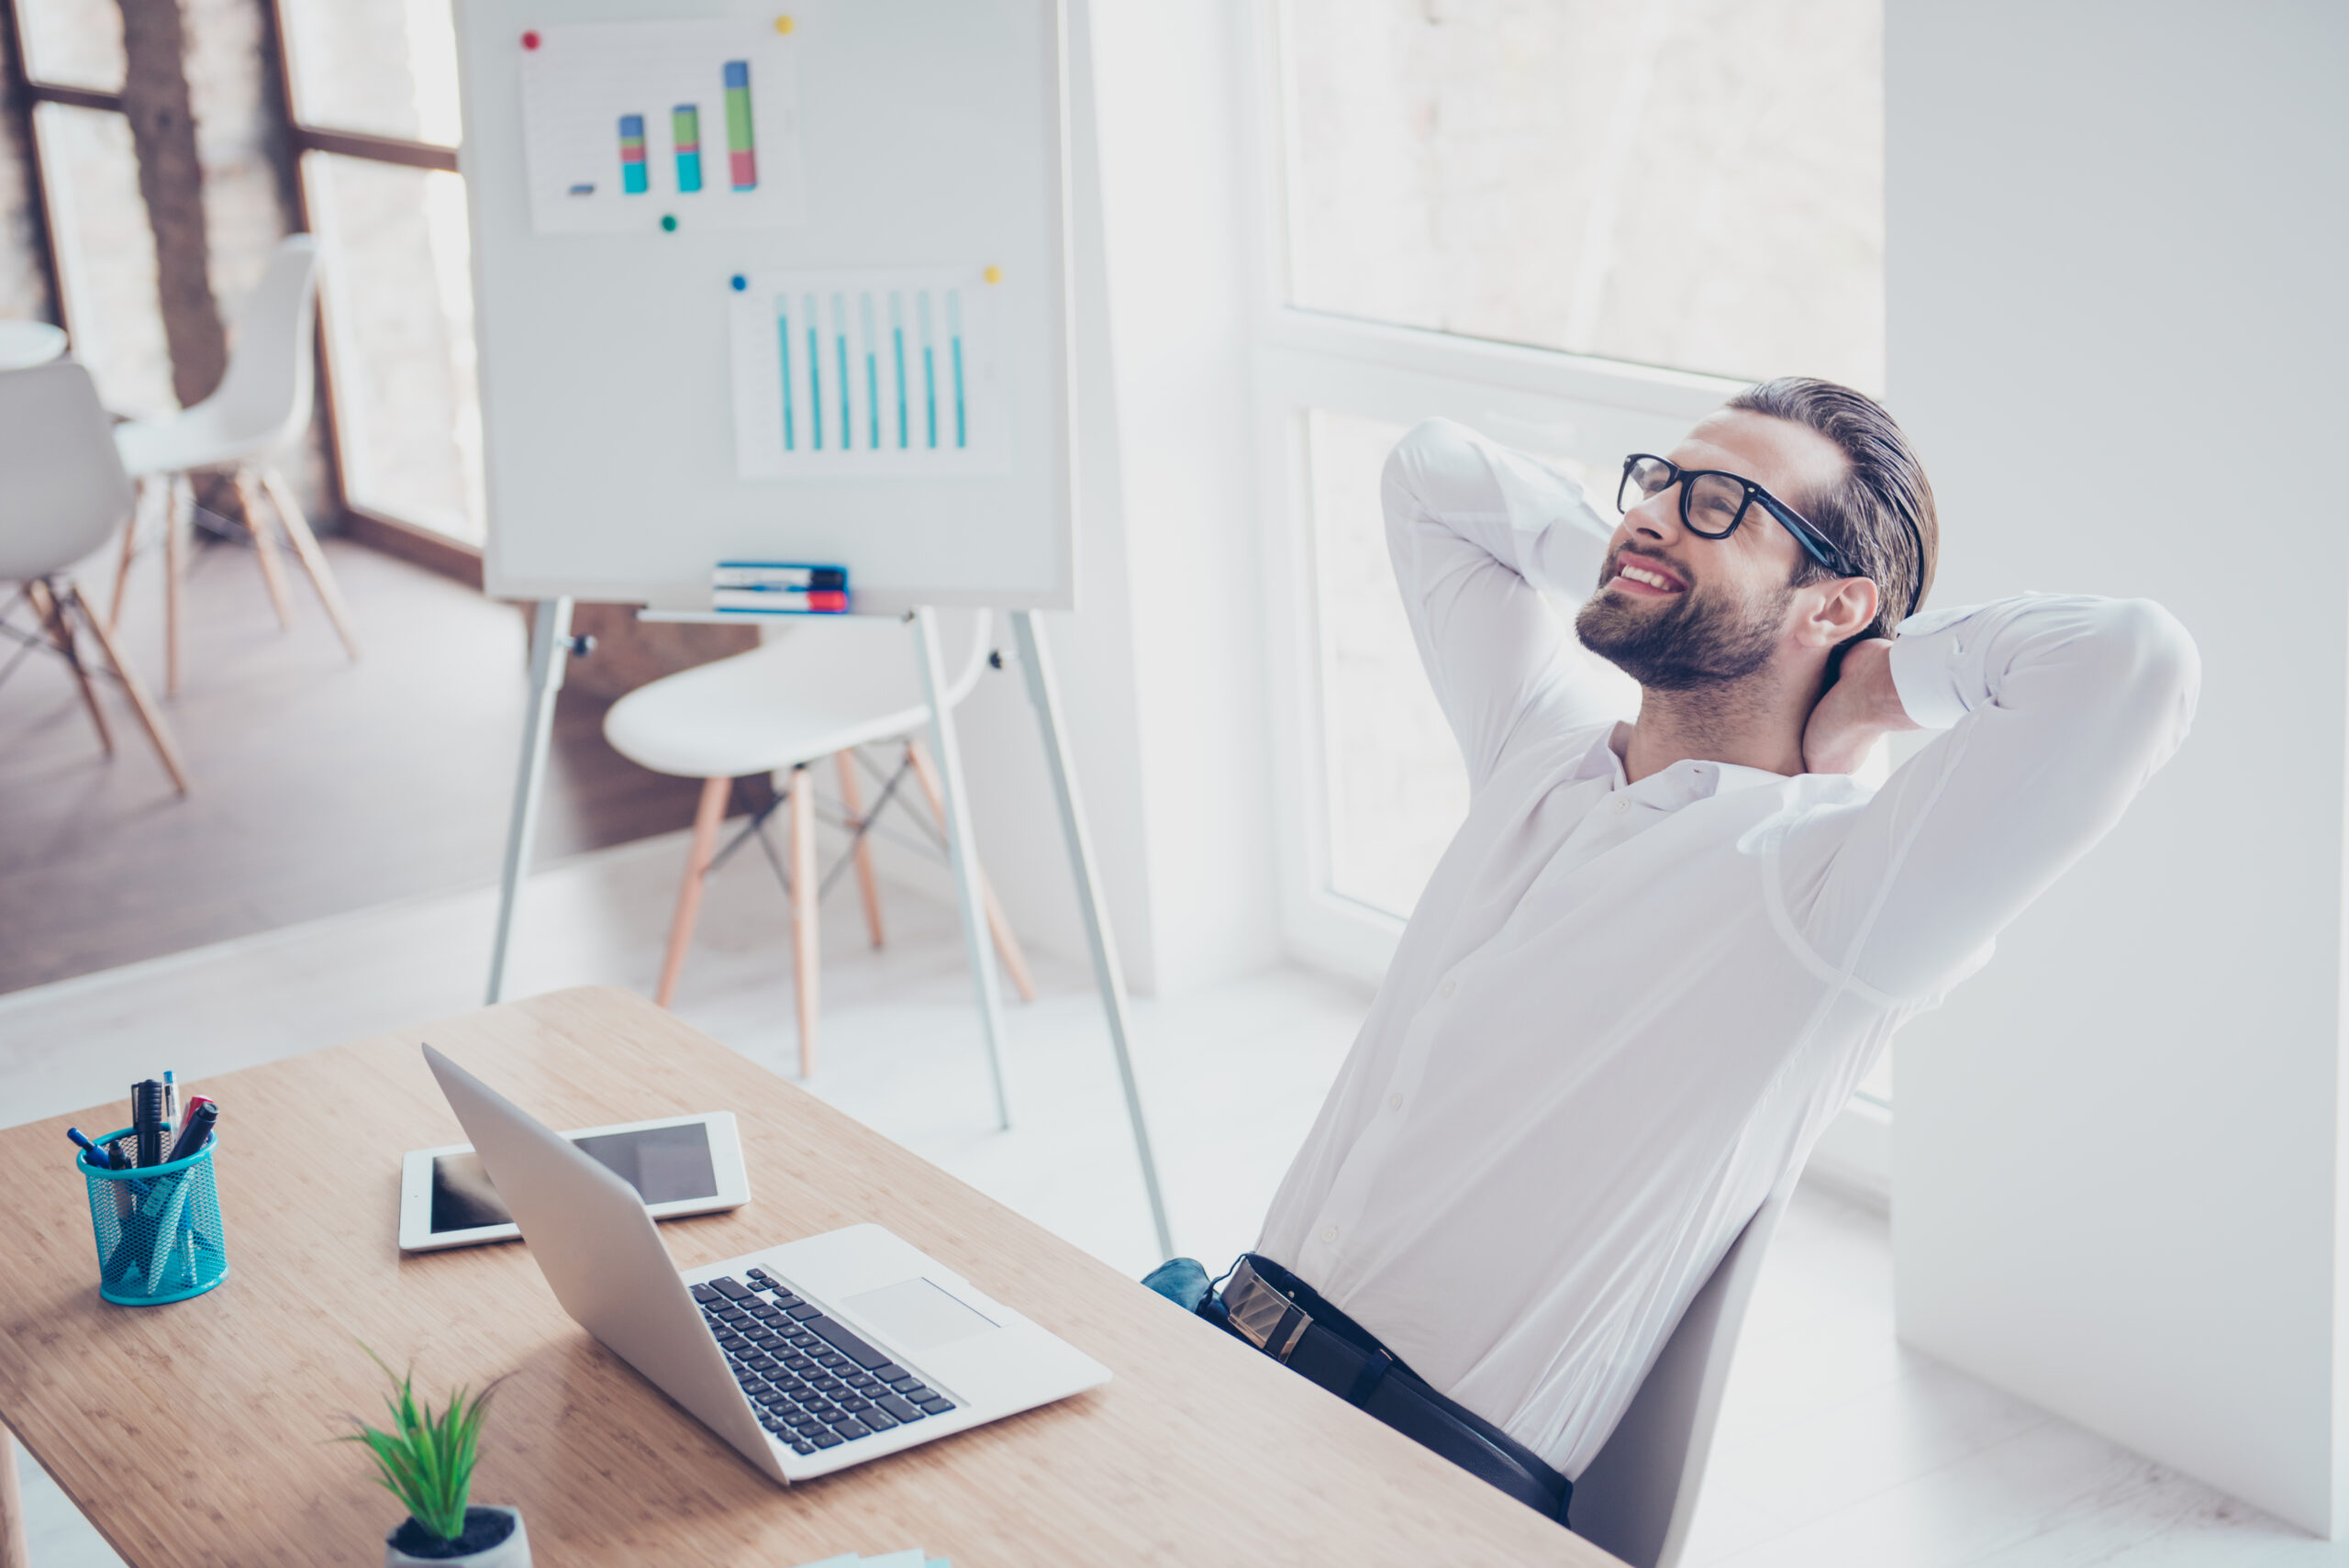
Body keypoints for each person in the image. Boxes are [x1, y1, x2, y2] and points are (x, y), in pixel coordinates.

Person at [1145, 377, 2199, 1527]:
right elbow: (1430, 472)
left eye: (1722, 503)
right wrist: (1651, 555)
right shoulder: (1538, 753)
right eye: (1657, 481)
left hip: (1409, 1493)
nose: (1651, 510)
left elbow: (2131, 664)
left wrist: (1874, 686)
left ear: (1833, 606)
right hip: (1211, 1357)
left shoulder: (1829, 893)